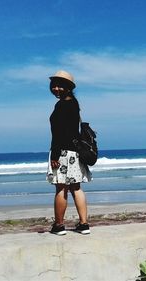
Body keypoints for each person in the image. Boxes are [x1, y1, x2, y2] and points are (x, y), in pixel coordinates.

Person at [46, 70, 92, 235]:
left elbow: (58, 133)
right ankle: (84, 224)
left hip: (63, 153)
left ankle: (59, 225)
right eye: (54, 86)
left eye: (60, 86)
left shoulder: (61, 105)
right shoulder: (74, 103)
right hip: (75, 152)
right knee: (76, 188)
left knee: (61, 188)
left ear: (68, 87)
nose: (56, 88)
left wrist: (55, 156)